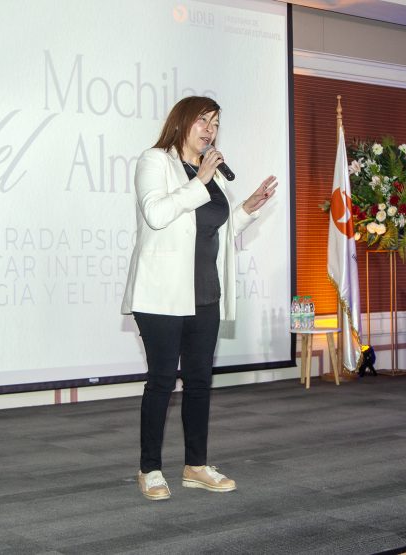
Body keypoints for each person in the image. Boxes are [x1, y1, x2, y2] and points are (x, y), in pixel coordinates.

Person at [121, 96, 278, 500]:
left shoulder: (213, 176)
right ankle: (150, 469)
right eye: (203, 121)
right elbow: (156, 215)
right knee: (160, 382)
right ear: (183, 122)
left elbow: (215, 230)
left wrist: (246, 208)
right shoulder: (155, 161)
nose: (210, 129)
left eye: (216, 123)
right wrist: (199, 182)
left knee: (198, 383)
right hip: (160, 295)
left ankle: (195, 464)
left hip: (205, 292)